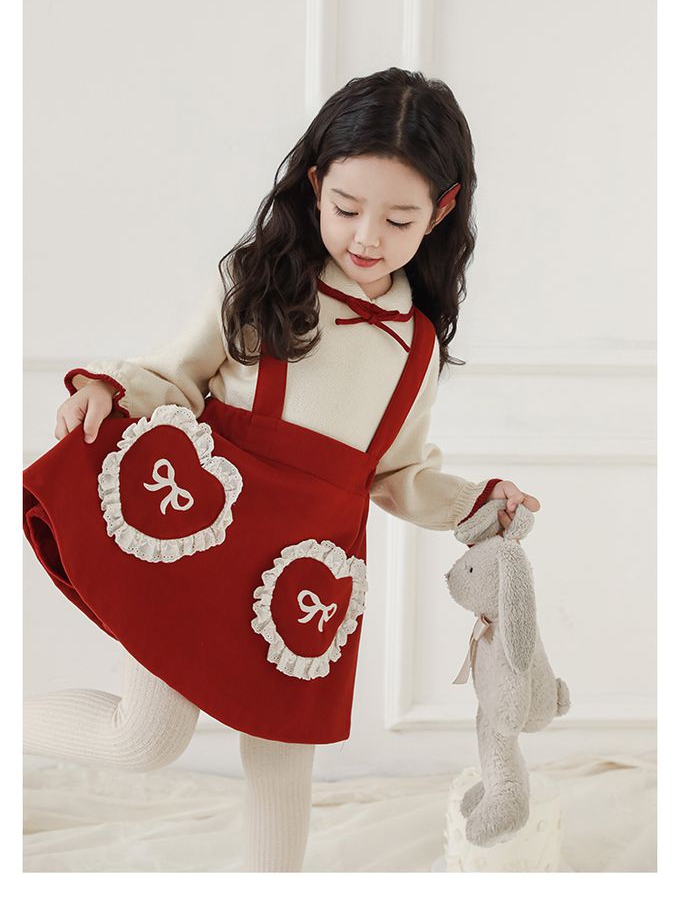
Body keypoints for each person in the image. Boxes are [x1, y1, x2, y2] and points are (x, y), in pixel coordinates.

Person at [23, 66, 540, 872]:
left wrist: (475, 501)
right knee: (145, 738)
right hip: (208, 540)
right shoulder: (260, 282)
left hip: (301, 575)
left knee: (281, 757)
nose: (367, 236)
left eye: (398, 218)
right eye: (347, 208)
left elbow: (398, 473)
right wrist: (106, 387)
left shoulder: (416, 347)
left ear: (441, 211)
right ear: (316, 184)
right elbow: (172, 376)